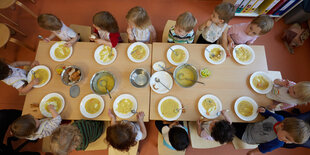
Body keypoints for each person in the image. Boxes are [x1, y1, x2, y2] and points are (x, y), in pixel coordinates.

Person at [232, 107, 310, 155]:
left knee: (230, 125)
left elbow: (263, 148)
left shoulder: (277, 143)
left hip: (247, 136)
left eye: (291, 142)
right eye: (287, 138)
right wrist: (264, 111)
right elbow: (269, 114)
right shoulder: (278, 118)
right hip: (251, 125)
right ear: (282, 125)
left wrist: (252, 152)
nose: (287, 142)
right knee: (236, 116)